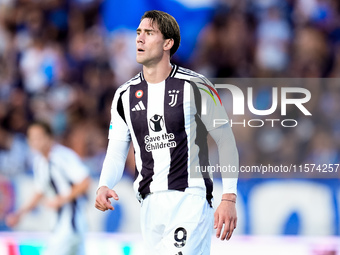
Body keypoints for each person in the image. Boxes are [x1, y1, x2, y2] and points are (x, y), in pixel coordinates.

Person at [95, 10, 239, 254]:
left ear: (167, 43)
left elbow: (225, 141)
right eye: (138, 33)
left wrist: (229, 197)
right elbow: (117, 151)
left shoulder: (196, 85)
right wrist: (104, 184)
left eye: (149, 33)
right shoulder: (124, 95)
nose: (139, 39)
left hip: (189, 198)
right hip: (149, 203)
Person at [5, 121, 90, 255]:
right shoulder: (39, 162)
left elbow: (85, 182)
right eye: (31, 138)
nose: (34, 142)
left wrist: (61, 199)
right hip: (60, 223)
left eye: (38, 137)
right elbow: (39, 192)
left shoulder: (62, 156)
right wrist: (19, 214)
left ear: (49, 137)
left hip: (71, 223)